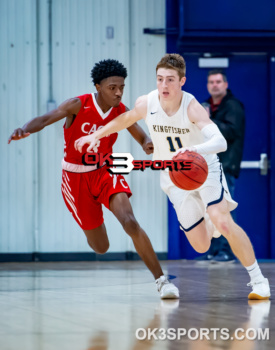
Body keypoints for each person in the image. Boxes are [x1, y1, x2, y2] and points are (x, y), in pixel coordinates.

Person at [74, 54, 270, 300]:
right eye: (160, 79)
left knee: (223, 221)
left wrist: (192, 152)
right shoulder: (147, 102)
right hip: (175, 179)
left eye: (170, 80)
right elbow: (125, 119)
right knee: (201, 245)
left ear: (182, 81)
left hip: (204, 170)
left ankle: (258, 280)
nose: (164, 86)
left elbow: (219, 141)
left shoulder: (192, 106)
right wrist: (96, 135)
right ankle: (210, 220)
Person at [8, 59, 179, 300]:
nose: (118, 92)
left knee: (129, 221)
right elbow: (45, 119)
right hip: (75, 178)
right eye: (112, 87)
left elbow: (141, 136)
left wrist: (149, 144)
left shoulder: (120, 110)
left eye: (122, 87)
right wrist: (23, 128)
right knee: (101, 247)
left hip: (105, 171)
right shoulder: (77, 105)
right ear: (98, 86)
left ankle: (162, 281)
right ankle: (92, 226)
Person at [199, 69, 245, 262]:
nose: (214, 85)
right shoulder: (206, 105)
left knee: (224, 210)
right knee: (211, 211)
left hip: (225, 166)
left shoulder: (233, 106)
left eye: (218, 81)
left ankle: (226, 252)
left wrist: (208, 120)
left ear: (225, 84)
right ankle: (214, 252)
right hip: (209, 167)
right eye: (211, 82)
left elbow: (231, 133)